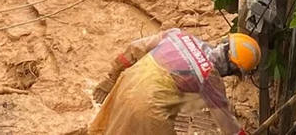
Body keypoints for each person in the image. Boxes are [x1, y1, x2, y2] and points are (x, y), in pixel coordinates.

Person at [90, 30, 260, 135]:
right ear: (231, 66)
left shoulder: (180, 35)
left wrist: (111, 78)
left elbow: (135, 47)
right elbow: (227, 125)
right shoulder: (209, 75)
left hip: (127, 84)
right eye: (234, 72)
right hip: (149, 108)